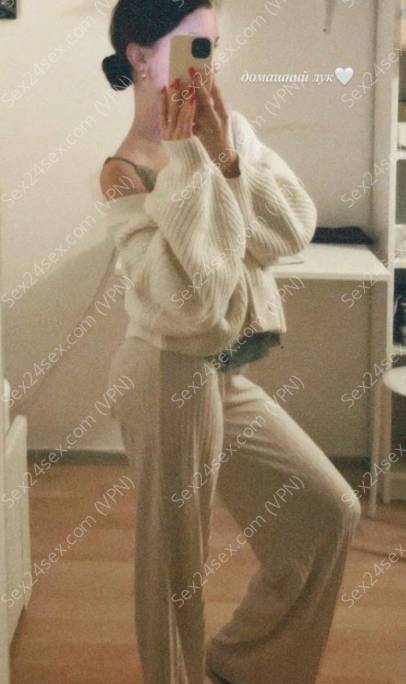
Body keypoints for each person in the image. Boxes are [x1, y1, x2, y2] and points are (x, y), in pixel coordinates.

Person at [99, 1, 362, 682]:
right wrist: (192, 158)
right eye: (190, 45)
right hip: (164, 369)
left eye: (211, 46)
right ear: (139, 56)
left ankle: (246, 665)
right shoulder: (123, 172)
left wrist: (224, 155)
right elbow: (198, 296)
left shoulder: (231, 130)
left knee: (326, 512)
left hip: (221, 370)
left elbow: (290, 231)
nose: (206, 64)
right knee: (174, 573)